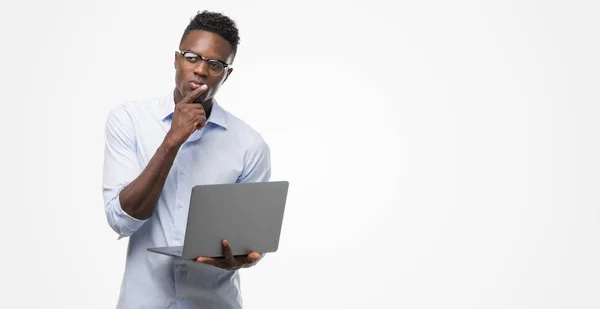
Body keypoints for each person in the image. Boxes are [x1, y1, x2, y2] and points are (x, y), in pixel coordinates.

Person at [102, 10, 270, 308]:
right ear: (177, 59)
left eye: (215, 64)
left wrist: (242, 258)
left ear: (226, 74)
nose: (201, 70)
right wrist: (172, 140)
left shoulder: (249, 144)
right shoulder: (129, 121)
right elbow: (121, 220)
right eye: (192, 57)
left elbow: (252, 240)